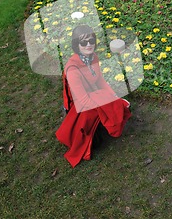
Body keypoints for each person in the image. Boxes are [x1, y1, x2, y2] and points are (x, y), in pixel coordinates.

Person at [55, 25, 131, 167]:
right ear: (76, 45)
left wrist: (113, 96)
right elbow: (83, 100)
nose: (89, 45)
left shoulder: (93, 57)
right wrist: (107, 102)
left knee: (115, 103)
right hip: (80, 105)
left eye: (91, 41)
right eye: (83, 42)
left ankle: (110, 119)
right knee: (96, 140)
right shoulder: (72, 69)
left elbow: (100, 80)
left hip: (92, 95)